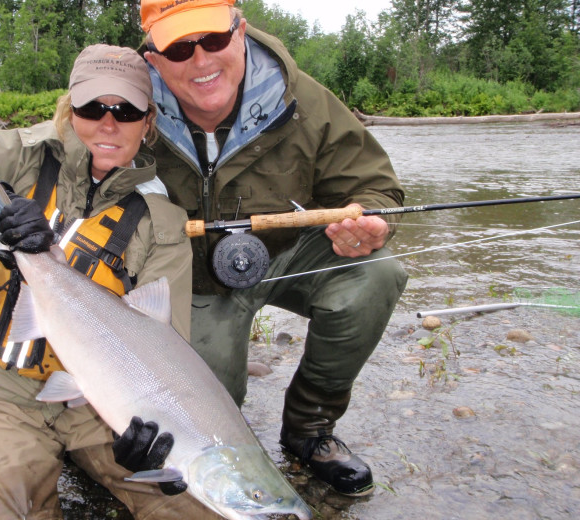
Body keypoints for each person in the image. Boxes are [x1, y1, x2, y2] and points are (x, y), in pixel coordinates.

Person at [0, 44, 222, 520]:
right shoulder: (21, 158)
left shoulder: (162, 222)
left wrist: (153, 441)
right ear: (69, 109)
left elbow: (168, 352)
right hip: (2, 393)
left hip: (100, 411)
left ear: (148, 124)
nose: (108, 124)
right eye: (92, 108)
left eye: (126, 111)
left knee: (196, 506)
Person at [136, 0, 409, 497]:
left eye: (214, 40)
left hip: (283, 256)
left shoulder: (300, 97)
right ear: (153, 58)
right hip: (186, 279)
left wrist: (369, 221)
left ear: (240, 31)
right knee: (206, 411)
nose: (201, 61)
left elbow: (375, 187)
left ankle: (310, 429)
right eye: (179, 47)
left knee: (376, 274)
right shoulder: (126, 105)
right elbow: (54, 169)